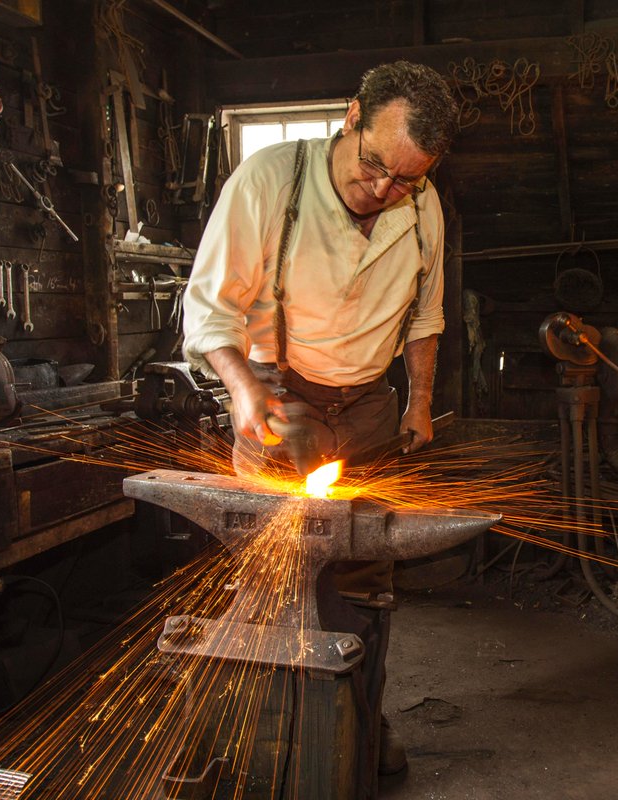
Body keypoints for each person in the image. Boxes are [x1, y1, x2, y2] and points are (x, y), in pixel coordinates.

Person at [181, 61, 459, 780]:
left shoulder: (421, 207)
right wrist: (243, 390)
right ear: (351, 116)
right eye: (375, 167)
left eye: (407, 180)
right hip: (283, 402)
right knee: (273, 576)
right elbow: (209, 311)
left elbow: (425, 319)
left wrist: (420, 400)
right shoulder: (270, 182)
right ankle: (267, 737)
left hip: (370, 410)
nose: (384, 191)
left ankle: (356, 728)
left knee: (364, 579)